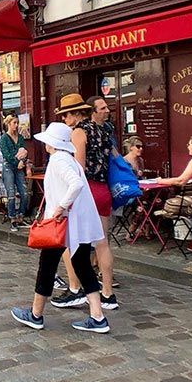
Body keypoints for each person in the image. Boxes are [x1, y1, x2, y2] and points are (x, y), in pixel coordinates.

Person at [11, 123, 110, 334]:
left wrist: (61, 206)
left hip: (62, 224)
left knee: (46, 267)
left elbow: (75, 184)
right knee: (82, 265)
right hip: (76, 225)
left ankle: (36, 314)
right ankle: (97, 315)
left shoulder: (58, 160)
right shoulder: (69, 160)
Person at [66, 94, 117, 307]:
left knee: (74, 243)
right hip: (104, 189)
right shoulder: (106, 130)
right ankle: (107, 292)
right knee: (102, 243)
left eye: (67, 114)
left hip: (88, 190)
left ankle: (75, 288)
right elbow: (115, 157)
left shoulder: (80, 132)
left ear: (78, 113)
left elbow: (79, 167)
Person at [0, 113, 30, 232]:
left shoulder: (20, 137)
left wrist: (22, 161)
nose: (16, 125)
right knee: (11, 193)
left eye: (17, 123)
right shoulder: (4, 138)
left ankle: (21, 216)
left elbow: (23, 150)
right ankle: (12, 218)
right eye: (14, 123)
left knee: (25, 192)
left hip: (19, 166)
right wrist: (17, 161)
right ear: (8, 124)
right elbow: (6, 154)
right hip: (9, 166)